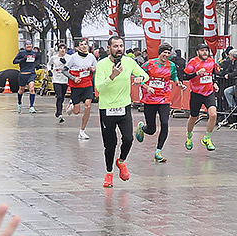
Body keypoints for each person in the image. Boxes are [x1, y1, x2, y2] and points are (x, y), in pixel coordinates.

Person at [93, 37, 147, 188]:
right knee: (110, 145)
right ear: (109, 48)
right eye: (115, 46)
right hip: (107, 108)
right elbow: (99, 88)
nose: (119, 49)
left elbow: (145, 76)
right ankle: (109, 173)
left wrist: (140, 79)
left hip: (124, 107)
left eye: (121, 46)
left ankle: (121, 161)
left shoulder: (129, 62)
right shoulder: (102, 65)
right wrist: (112, 77)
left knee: (128, 139)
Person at [135, 50, 177, 163]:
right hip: (150, 99)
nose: (167, 55)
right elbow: (138, 76)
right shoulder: (149, 64)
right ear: (159, 53)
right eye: (165, 52)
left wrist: (178, 83)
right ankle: (142, 128)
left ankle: (158, 151)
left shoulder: (171, 65)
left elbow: (174, 76)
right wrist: (146, 87)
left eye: (169, 53)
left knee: (164, 123)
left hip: (164, 98)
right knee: (151, 129)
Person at [184, 43, 220, 151]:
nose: (205, 52)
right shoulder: (193, 62)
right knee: (193, 117)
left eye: (206, 50)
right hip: (196, 93)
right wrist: (196, 73)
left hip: (208, 93)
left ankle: (207, 138)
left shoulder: (211, 61)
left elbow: (214, 74)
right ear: (197, 52)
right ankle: (189, 136)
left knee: (213, 114)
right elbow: (185, 75)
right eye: (202, 50)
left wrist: (215, 83)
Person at [65, 39, 97, 140]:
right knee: (76, 111)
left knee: (88, 106)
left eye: (85, 44)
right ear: (77, 47)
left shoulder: (91, 57)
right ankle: (71, 106)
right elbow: (64, 70)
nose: (84, 46)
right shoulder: (73, 57)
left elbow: (96, 68)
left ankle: (82, 131)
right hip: (76, 86)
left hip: (87, 85)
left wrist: (93, 69)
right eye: (81, 45)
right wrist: (74, 78)